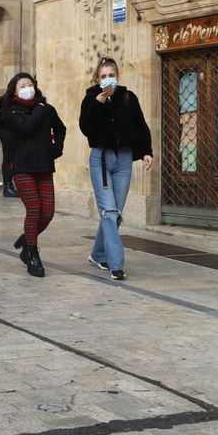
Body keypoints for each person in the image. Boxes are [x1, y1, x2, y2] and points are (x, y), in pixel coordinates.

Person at [79, 57, 153, 281]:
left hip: (124, 158)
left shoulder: (128, 97)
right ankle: (116, 264)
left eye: (111, 75)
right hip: (101, 157)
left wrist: (146, 151)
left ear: (117, 76)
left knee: (115, 213)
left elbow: (140, 126)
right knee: (109, 212)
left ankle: (97, 254)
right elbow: (85, 127)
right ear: (97, 79)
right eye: (103, 76)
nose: (107, 79)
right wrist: (99, 101)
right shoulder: (91, 98)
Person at [0, 73, 66, 278]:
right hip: (22, 167)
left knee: (48, 212)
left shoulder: (47, 109)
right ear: (14, 90)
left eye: (30, 85)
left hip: (44, 166)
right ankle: (33, 254)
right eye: (22, 86)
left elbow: (61, 129)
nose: (27, 88)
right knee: (35, 209)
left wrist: (56, 149)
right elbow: (26, 128)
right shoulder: (9, 112)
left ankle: (27, 240)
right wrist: (40, 108)